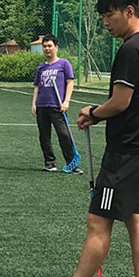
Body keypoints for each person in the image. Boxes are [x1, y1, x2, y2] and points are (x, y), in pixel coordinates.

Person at [32, 0, 139, 277]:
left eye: (110, 15)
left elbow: (120, 102)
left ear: (129, 12)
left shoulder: (131, 49)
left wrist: (92, 113)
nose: (106, 22)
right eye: (103, 16)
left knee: (98, 221)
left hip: (128, 153)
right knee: (137, 219)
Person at [31, 33, 82, 174]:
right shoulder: (41, 68)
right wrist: (34, 103)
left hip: (57, 106)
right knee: (44, 135)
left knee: (64, 134)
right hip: (42, 105)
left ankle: (72, 163)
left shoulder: (64, 64)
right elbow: (37, 86)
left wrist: (66, 101)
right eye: (45, 46)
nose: (47, 49)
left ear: (56, 47)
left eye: (50, 46)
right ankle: (49, 162)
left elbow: (69, 82)